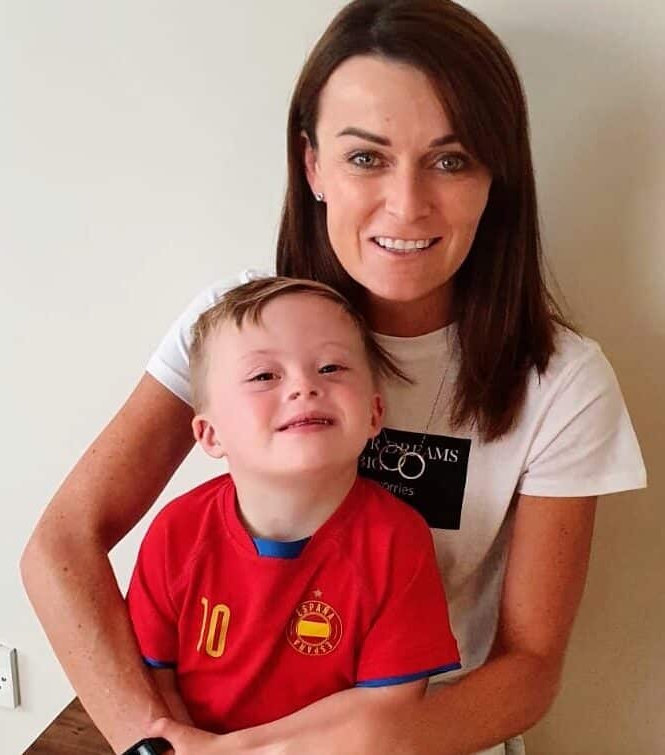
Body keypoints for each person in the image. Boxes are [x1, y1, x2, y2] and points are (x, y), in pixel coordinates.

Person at [21, 1, 647, 754]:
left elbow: (530, 669)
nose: (407, 205)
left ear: (496, 176)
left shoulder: (561, 381)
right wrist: (156, 744)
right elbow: (61, 545)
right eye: (366, 158)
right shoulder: (232, 328)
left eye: (451, 160)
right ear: (312, 164)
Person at [125, 277, 460, 737]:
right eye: (264, 376)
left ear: (374, 413)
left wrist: (234, 752)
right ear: (210, 434)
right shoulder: (176, 532)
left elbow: (388, 705)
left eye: (331, 367)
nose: (305, 386)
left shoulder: (397, 541)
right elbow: (154, 677)